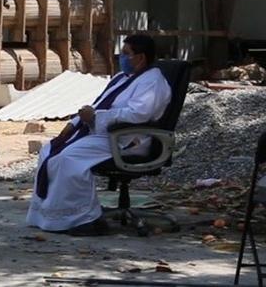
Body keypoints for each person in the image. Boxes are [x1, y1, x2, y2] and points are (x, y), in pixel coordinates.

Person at [26, 35, 172, 236]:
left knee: (69, 159)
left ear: (141, 58)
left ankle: (84, 219)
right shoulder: (123, 78)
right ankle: (50, 217)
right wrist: (74, 123)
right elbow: (99, 104)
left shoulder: (152, 82)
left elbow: (138, 114)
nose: (121, 57)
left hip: (128, 139)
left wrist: (97, 117)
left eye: (126, 53)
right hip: (105, 134)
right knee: (49, 150)